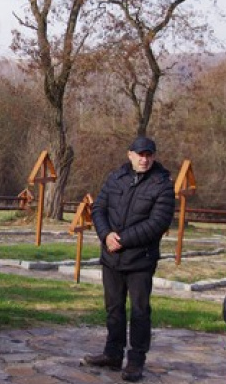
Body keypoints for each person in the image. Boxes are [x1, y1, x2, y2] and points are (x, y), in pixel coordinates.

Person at [83, 136, 175, 382]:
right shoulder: (116, 178)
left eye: (149, 155)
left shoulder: (162, 184)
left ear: (153, 157)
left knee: (140, 311)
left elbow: (158, 223)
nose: (144, 159)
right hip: (111, 256)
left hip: (140, 260)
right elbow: (98, 209)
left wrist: (122, 239)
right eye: (140, 154)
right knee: (113, 309)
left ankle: (135, 361)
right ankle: (112, 354)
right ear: (130, 155)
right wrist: (106, 235)